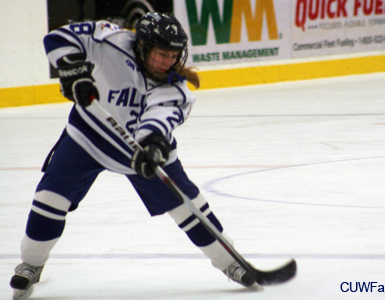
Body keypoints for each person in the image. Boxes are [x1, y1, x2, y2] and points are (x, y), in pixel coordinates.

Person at [10, 12, 256, 300]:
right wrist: (72, 69)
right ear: (142, 46)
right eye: (161, 54)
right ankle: (32, 263)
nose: (167, 62)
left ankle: (230, 262)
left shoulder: (174, 87)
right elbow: (59, 37)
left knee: (188, 206)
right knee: (50, 198)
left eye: (173, 55)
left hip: (137, 151)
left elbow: (160, 119)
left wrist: (152, 145)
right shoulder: (110, 40)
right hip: (87, 137)